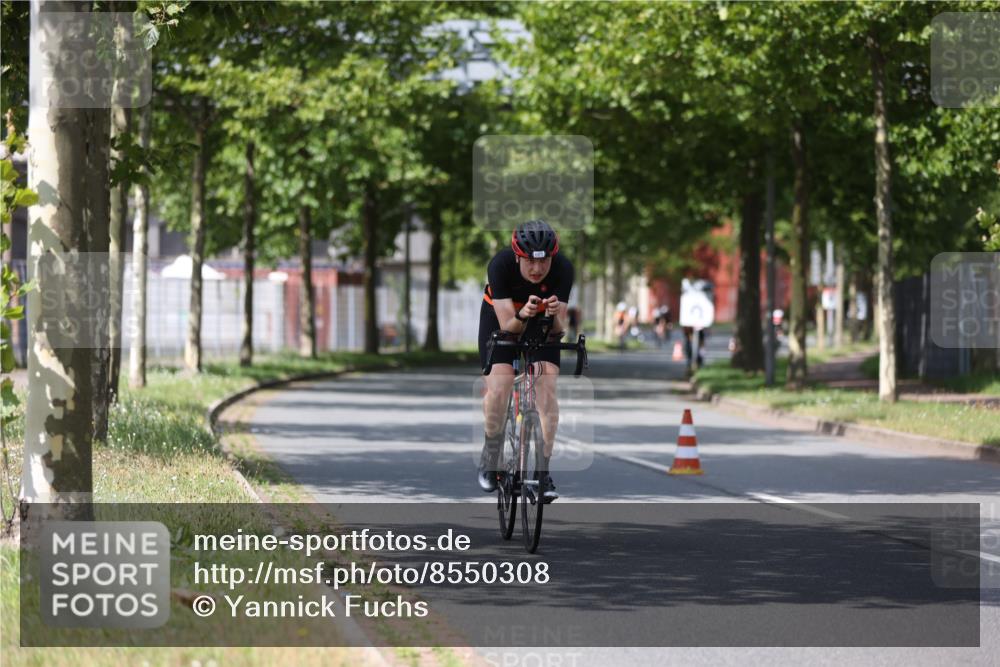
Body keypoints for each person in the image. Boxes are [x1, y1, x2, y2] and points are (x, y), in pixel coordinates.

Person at [478, 220, 573, 502]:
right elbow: (507, 324)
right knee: (501, 383)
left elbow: (558, 330)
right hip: (503, 320)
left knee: (547, 383)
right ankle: (492, 453)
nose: (537, 269)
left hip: (541, 324)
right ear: (518, 256)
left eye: (543, 263)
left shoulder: (564, 269)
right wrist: (523, 314)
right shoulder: (500, 266)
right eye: (530, 261)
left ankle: (543, 472)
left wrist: (554, 314)